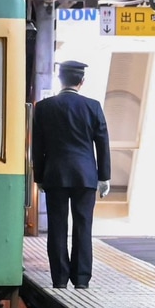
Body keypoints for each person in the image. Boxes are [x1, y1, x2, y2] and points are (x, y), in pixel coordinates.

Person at [32, 60, 111, 289]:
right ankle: (82, 279)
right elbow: (102, 143)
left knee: (57, 227)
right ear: (82, 81)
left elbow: (38, 146)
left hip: (55, 175)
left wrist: (39, 177)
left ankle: (59, 278)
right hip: (85, 176)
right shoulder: (93, 106)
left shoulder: (44, 107)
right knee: (83, 226)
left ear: (60, 79)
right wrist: (103, 176)